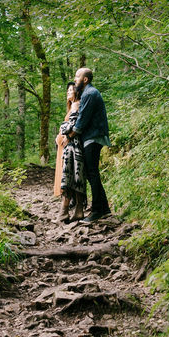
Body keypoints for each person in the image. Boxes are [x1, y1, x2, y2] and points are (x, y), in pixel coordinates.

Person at [68, 66, 110, 221]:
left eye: (77, 76)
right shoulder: (87, 93)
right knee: (92, 173)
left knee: (92, 173)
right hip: (92, 137)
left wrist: (70, 134)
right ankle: (104, 208)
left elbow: (82, 120)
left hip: (93, 137)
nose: (74, 79)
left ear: (85, 79)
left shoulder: (90, 94)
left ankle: (97, 210)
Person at [54, 84, 85, 222]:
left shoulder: (76, 105)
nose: (68, 92)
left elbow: (73, 126)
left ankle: (64, 212)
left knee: (69, 177)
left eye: (71, 90)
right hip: (73, 146)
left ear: (77, 92)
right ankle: (78, 210)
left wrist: (64, 131)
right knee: (76, 177)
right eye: (67, 90)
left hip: (73, 146)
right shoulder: (74, 105)